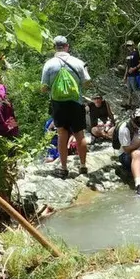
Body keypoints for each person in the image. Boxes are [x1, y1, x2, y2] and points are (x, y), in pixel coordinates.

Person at [41, 35, 91, 178]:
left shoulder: (49, 64)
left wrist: (53, 87)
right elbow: (87, 82)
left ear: (54, 47)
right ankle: (82, 166)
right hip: (76, 102)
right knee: (79, 134)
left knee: (62, 134)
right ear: (67, 46)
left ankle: (63, 167)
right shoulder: (78, 62)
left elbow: (44, 87)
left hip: (58, 104)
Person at [123, 40, 140, 106]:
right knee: (129, 89)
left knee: (135, 89)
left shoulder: (136, 53)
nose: (129, 47)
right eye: (127, 46)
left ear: (133, 45)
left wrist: (134, 68)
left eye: (130, 45)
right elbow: (127, 66)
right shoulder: (128, 55)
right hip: (129, 75)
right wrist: (125, 76)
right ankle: (129, 103)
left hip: (135, 75)